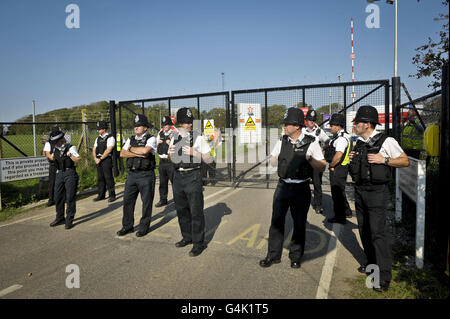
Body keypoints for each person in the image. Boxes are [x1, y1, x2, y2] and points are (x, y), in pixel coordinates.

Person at [349, 105, 409, 292]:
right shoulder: (358, 142)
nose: (354, 124)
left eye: (357, 121)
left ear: (367, 124)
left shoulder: (387, 141)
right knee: (364, 230)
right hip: (360, 191)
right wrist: (354, 158)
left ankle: (383, 277)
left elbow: (405, 160)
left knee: (378, 233)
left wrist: (384, 160)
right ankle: (370, 265)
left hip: (377, 192)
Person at [259, 107, 326, 269]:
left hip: (301, 188)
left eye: (287, 124)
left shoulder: (311, 142)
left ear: (297, 126)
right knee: (276, 221)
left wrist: (309, 159)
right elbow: (273, 161)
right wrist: (274, 159)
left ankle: (296, 256)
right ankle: (273, 255)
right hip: (283, 187)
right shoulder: (282, 141)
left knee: (299, 223)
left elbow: (322, 166)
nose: (284, 126)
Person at [168, 107, 212, 257]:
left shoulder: (198, 137)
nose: (189, 125)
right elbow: (170, 158)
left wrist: (195, 152)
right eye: (185, 122)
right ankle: (187, 237)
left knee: (196, 211)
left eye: (190, 122)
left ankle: (199, 243)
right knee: (182, 210)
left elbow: (209, 158)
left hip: (193, 176)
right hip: (178, 176)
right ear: (179, 124)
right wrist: (170, 155)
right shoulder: (174, 137)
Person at [116, 114, 157, 238]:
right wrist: (137, 152)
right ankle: (127, 226)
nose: (136, 128)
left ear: (145, 127)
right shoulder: (130, 139)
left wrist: (131, 150)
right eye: (135, 125)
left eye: (139, 125)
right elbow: (122, 153)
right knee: (128, 201)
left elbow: (145, 151)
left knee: (146, 203)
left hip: (146, 175)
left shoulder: (151, 138)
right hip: (132, 175)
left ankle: (144, 227)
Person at [48, 128, 81, 230]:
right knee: (57, 197)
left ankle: (69, 220)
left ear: (61, 140)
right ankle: (60, 217)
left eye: (55, 142)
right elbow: (53, 157)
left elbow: (78, 159)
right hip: (59, 173)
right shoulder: (55, 149)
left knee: (70, 197)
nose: (54, 144)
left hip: (69, 173)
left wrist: (69, 154)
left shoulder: (70, 147)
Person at [324, 113, 353, 223]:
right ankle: (347, 211)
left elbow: (338, 155)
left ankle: (340, 217)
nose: (330, 127)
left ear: (338, 126)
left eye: (331, 125)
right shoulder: (342, 136)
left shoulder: (341, 139)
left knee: (337, 194)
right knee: (340, 192)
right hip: (341, 168)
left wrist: (331, 165)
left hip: (338, 169)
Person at [302, 109, 330, 214]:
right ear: (306, 120)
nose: (311, 122)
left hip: (316, 161)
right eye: (310, 120)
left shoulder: (319, 131)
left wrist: (322, 149)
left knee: (317, 184)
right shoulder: (302, 130)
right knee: (303, 183)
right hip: (305, 161)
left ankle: (318, 205)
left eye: (313, 120)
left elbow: (327, 141)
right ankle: (302, 202)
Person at [92, 120, 116, 202]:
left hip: (106, 159)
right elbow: (94, 149)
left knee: (108, 177)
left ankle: (112, 195)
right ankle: (101, 194)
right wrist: (95, 158)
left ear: (104, 129)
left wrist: (101, 159)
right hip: (98, 160)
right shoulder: (97, 138)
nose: (98, 130)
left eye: (99, 128)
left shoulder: (110, 137)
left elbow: (109, 149)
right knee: (100, 178)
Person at [155, 115, 176, 207]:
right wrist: (157, 143)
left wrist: (170, 143)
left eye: (167, 124)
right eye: (164, 124)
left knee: (174, 181)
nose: (165, 126)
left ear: (170, 125)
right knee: (162, 182)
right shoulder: (160, 134)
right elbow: (154, 147)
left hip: (170, 161)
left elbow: (177, 147)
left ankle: (178, 199)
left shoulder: (174, 134)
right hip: (162, 161)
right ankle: (163, 199)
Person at [42, 126, 60, 207]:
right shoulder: (49, 143)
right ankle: (51, 199)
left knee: (61, 181)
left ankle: (61, 197)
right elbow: (47, 154)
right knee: (52, 182)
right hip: (53, 165)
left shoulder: (62, 140)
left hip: (61, 164)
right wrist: (53, 158)